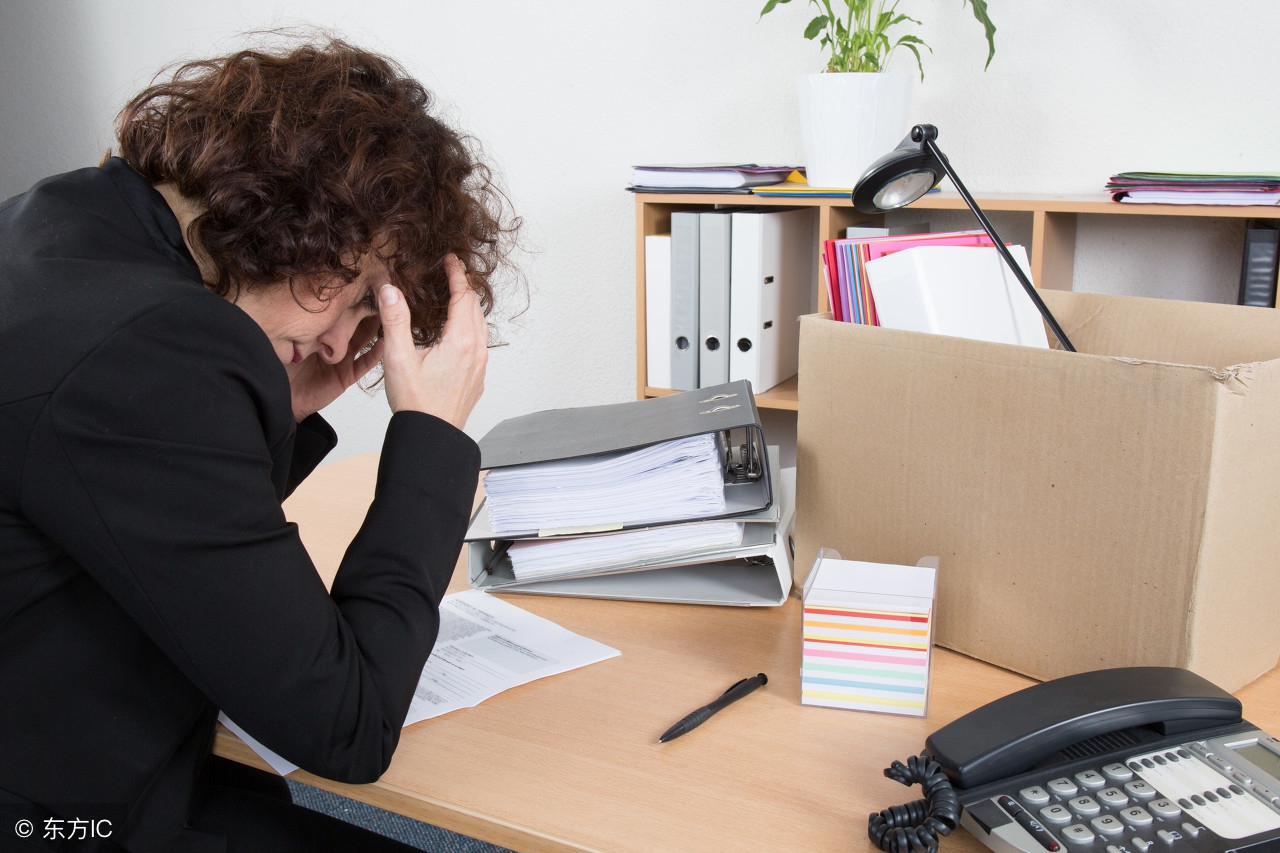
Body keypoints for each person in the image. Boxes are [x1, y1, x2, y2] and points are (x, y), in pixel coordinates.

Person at [0, 33, 520, 852]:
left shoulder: (66, 219)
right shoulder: (157, 348)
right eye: (355, 293)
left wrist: (282, 412)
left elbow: (162, 530)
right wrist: (431, 436)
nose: (338, 342)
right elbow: (347, 726)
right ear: (295, 223)